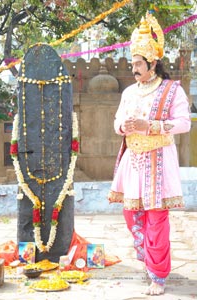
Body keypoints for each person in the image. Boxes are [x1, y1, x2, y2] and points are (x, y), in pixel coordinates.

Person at [108, 11, 191, 296]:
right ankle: (148, 262)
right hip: (133, 161)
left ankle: (158, 275)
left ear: (153, 63)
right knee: (133, 216)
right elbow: (117, 121)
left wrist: (149, 126)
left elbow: (184, 123)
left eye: (138, 63)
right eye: (132, 64)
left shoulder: (171, 91)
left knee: (156, 219)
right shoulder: (129, 92)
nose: (134, 69)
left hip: (158, 162)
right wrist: (124, 126)